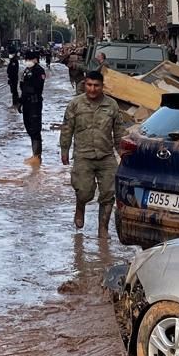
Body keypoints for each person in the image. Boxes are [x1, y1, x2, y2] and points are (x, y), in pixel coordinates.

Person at [60, 69, 128, 236]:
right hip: (83, 155)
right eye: (89, 85)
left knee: (109, 193)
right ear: (85, 85)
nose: (92, 89)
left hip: (106, 156)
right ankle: (80, 206)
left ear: (102, 86)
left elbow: (118, 130)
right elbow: (67, 128)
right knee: (84, 191)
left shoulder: (111, 105)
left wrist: (122, 152)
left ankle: (102, 228)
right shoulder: (75, 104)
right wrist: (64, 149)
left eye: (96, 85)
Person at [19, 50, 47, 165]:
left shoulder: (39, 71)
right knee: (29, 127)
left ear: (35, 59)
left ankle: (37, 156)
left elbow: (37, 87)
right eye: (26, 59)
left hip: (34, 103)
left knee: (35, 129)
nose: (27, 61)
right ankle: (34, 154)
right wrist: (20, 101)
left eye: (29, 59)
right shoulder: (27, 70)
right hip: (26, 102)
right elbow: (23, 85)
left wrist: (27, 90)